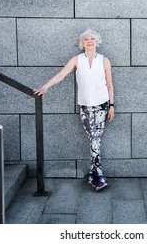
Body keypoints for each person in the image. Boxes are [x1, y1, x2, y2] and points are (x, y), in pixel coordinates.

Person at [33, 29, 114, 191]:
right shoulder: (77, 60)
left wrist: (112, 106)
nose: (89, 41)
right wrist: (45, 86)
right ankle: (95, 174)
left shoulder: (104, 61)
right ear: (82, 43)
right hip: (85, 105)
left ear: (97, 42)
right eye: (86, 39)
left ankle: (96, 175)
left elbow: (110, 85)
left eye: (92, 38)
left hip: (102, 105)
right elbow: (62, 74)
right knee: (94, 139)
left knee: (96, 139)